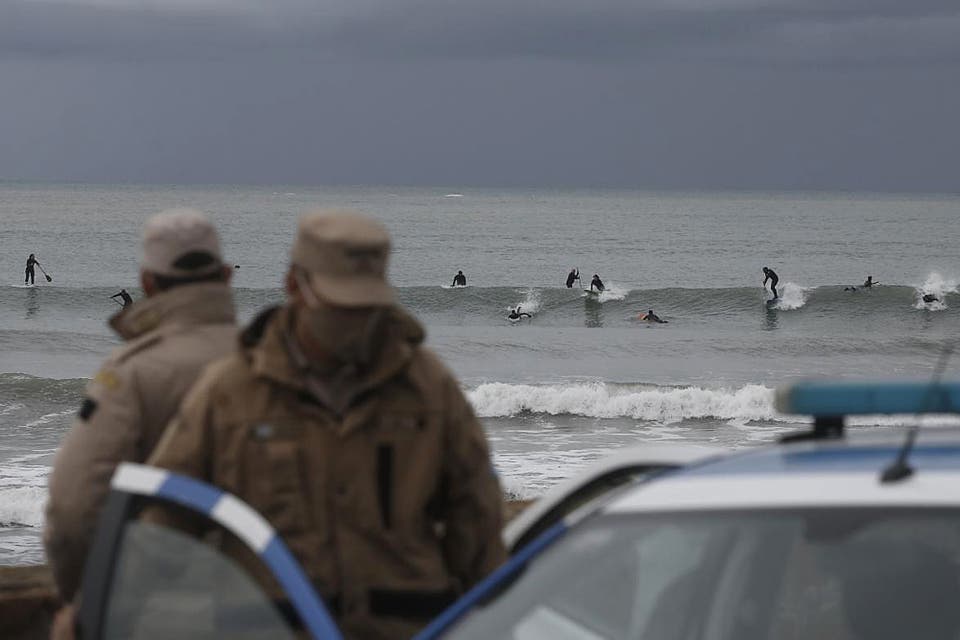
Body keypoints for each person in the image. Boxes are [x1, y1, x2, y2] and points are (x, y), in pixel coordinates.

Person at [145, 210, 506, 639]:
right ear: (295, 286)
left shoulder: (430, 389)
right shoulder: (231, 392)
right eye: (340, 305)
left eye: (368, 306)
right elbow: (163, 523)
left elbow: (477, 527)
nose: (356, 322)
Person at [43, 209, 237, 603]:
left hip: (161, 600)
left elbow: (71, 515)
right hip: (275, 610)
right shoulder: (274, 362)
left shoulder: (133, 373)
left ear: (147, 282)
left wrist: (84, 602)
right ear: (226, 277)